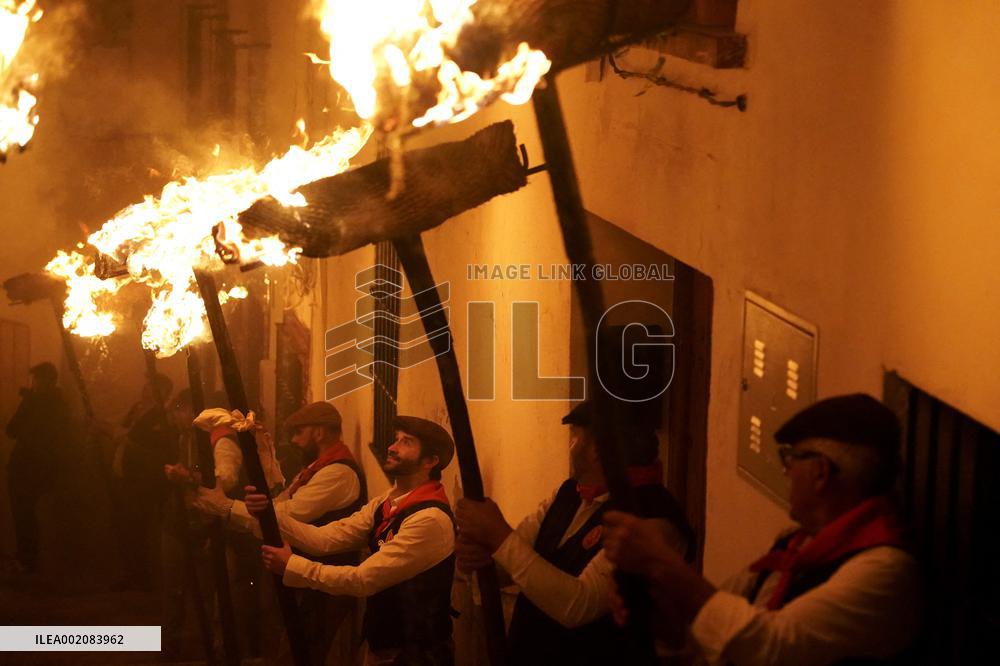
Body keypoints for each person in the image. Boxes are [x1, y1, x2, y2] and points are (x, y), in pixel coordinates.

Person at [603, 393, 922, 666]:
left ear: (821, 472)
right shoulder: (794, 545)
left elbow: (772, 645)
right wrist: (656, 609)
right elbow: (719, 629)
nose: (786, 471)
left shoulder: (885, 571)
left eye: (791, 458)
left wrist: (661, 561)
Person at [454, 400, 694, 665]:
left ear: (597, 449)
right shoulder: (568, 493)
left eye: (576, 437)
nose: (570, 448)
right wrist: (485, 558)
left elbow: (578, 605)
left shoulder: (652, 519)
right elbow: (516, 557)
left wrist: (498, 535)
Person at [241, 416, 456, 666]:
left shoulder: (429, 519)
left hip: (420, 654)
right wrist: (268, 512)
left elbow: (362, 580)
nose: (392, 447)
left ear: (430, 461)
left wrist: (292, 566)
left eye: (406, 442)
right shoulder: (386, 502)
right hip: (387, 646)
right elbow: (325, 538)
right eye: (396, 439)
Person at [188, 401, 367, 664]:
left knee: (308, 654)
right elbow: (279, 503)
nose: (294, 441)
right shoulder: (318, 466)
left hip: (327, 586)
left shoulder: (338, 473)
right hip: (307, 580)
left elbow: (285, 516)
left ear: (319, 433)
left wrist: (227, 507)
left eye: (299, 433)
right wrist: (254, 500)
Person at [5, 362, 70, 573]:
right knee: (24, 513)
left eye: (37, 380)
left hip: (32, 466)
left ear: (46, 381)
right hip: (32, 466)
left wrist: (28, 405)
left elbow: (13, 429)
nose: (34, 384)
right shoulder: (55, 404)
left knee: (25, 513)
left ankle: (28, 560)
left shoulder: (40, 403)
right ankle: (27, 558)